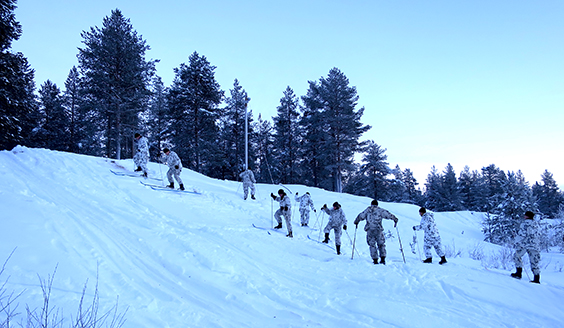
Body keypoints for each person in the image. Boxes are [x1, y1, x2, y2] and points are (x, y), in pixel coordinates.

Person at [354, 200, 398, 265]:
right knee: (381, 244)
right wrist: (395, 219)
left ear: (371, 204)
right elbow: (388, 215)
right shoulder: (380, 210)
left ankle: (375, 260)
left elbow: (361, 216)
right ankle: (383, 259)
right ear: (377, 204)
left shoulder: (368, 210)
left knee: (372, 245)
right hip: (378, 230)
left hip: (370, 230)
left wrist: (356, 221)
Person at [511, 211, 541, 283]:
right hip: (535, 246)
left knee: (517, 256)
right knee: (534, 262)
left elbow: (522, 235)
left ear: (527, 216)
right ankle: (536, 278)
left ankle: (518, 273)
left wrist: (515, 241)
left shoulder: (525, 224)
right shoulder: (536, 224)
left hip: (524, 245)